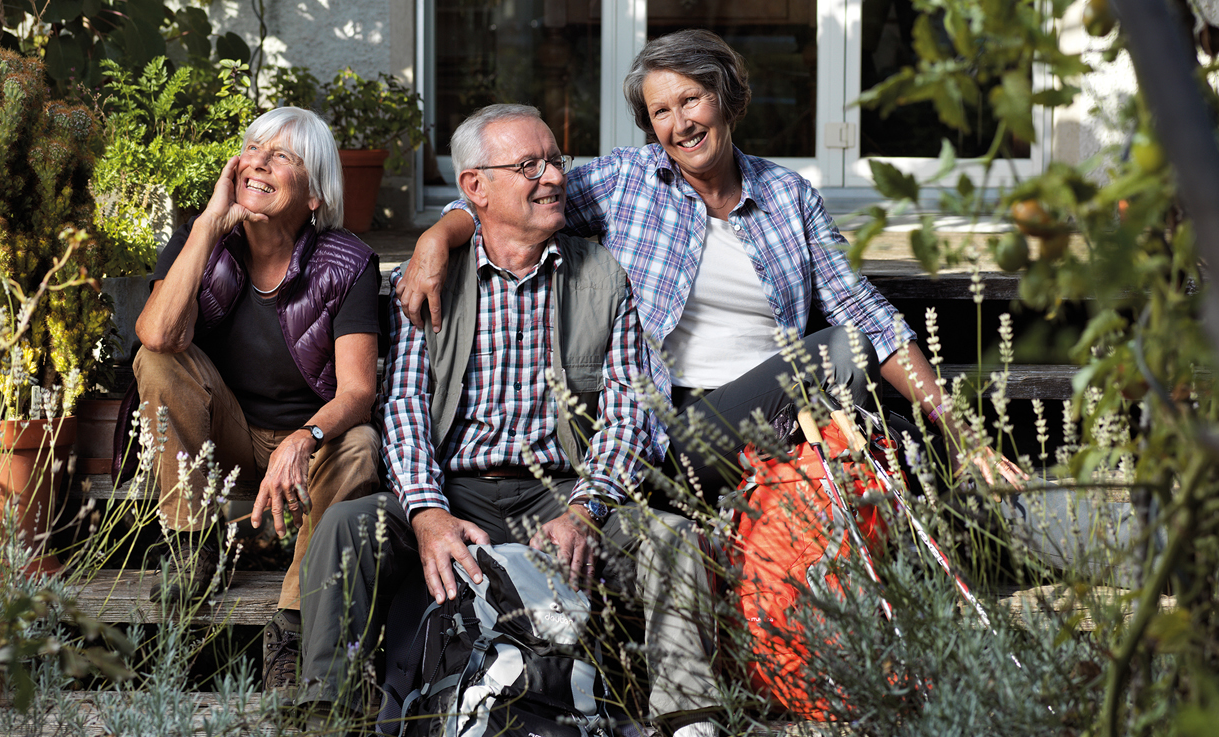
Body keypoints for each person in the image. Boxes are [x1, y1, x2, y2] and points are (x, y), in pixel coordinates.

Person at [290, 104, 724, 737]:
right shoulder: (433, 279)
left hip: (559, 491)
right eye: (529, 166)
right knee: (348, 527)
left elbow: (627, 411)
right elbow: (401, 405)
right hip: (458, 495)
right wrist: (426, 513)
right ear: (476, 188)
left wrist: (587, 508)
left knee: (669, 540)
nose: (554, 177)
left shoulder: (600, 274)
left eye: (555, 161)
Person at [401, 29, 1025, 492]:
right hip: (670, 428)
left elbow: (865, 312)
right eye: (660, 112)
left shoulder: (787, 195)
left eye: (690, 100)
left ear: (726, 97)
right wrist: (438, 236)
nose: (678, 124)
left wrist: (961, 429)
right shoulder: (628, 182)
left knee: (891, 415)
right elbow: (505, 197)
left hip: (781, 404)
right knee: (842, 359)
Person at [133, 108, 382, 652]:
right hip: (224, 438)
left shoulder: (347, 263)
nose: (258, 163)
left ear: (314, 195)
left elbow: (359, 392)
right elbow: (156, 336)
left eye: (282, 156)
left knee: (361, 446)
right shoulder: (200, 241)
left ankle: (294, 620)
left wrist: (303, 438)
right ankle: (192, 543)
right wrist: (205, 227)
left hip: (306, 452)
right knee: (158, 361)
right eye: (252, 149)